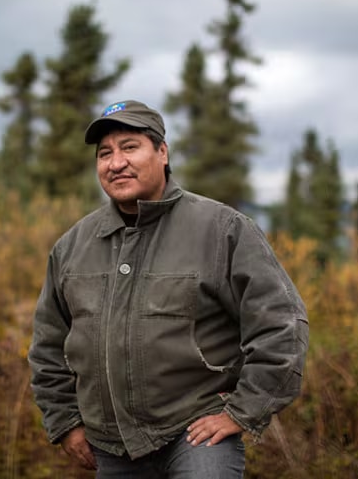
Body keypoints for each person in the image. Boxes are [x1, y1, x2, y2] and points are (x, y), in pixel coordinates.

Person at [28, 99, 309, 478]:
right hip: (112, 446)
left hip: (197, 434)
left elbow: (281, 324)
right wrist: (65, 421)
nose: (116, 163)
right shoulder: (72, 247)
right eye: (105, 153)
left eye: (129, 147)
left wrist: (243, 411)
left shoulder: (222, 229)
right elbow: (47, 346)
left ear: (162, 152)